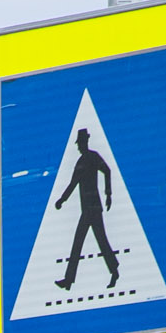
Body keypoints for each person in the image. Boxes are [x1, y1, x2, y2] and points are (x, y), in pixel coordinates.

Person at [54, 125, 120, 293]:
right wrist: (62, 200)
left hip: (93, 209)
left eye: (80, 143)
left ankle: (114, 272)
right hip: (88, 210)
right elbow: (73, 184)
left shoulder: (90, 158)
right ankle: (69, 280)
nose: (78, 146)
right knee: (81, 243)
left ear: (85, 142)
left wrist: (108, 194)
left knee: (100, 241)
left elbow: (107, 171)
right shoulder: (83, 161)